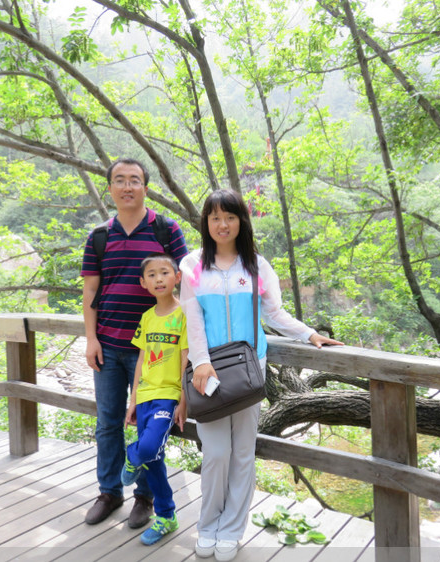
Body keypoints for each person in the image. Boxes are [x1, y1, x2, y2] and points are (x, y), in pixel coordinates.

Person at [179, 189, 342, 561]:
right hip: (209, 372)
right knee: (216, 453)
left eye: (231, 217)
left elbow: (274, 314)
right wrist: (200, 361)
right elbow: (192, 319)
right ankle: (208, 526)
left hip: (249, 371)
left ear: (241, 222)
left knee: (242, 454)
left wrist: (309, 335)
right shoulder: (191, 266)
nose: (223, 224)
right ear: (206, 222)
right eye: (215, 217)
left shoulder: (255, 264)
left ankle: (231, 530)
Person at [81, 158, 188, 529]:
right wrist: (91, 338)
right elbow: (91, 288)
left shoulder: (165, 229)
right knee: (108, 422)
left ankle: (146, 496)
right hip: (108, 346)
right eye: (120, 181)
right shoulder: (99, 235)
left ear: (146, 187)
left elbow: (187, 281)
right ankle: (109, 492)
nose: (128, 187)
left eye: (135, 180)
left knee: (147, 427)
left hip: (157, 350)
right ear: (110, 188)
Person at [122, 253, 188, 546]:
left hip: (168, 396)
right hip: (145, 395)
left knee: (146, 449)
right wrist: (133, 399)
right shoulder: (147, 317)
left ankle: (131, 454)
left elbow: (188, 361)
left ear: (178, 277)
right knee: (155, 462)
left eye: (165, 272)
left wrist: (184, 401)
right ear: (143, 283)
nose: (159, 278)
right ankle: (166, 516)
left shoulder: (185, 314)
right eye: (152, 274)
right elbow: (141, 360)